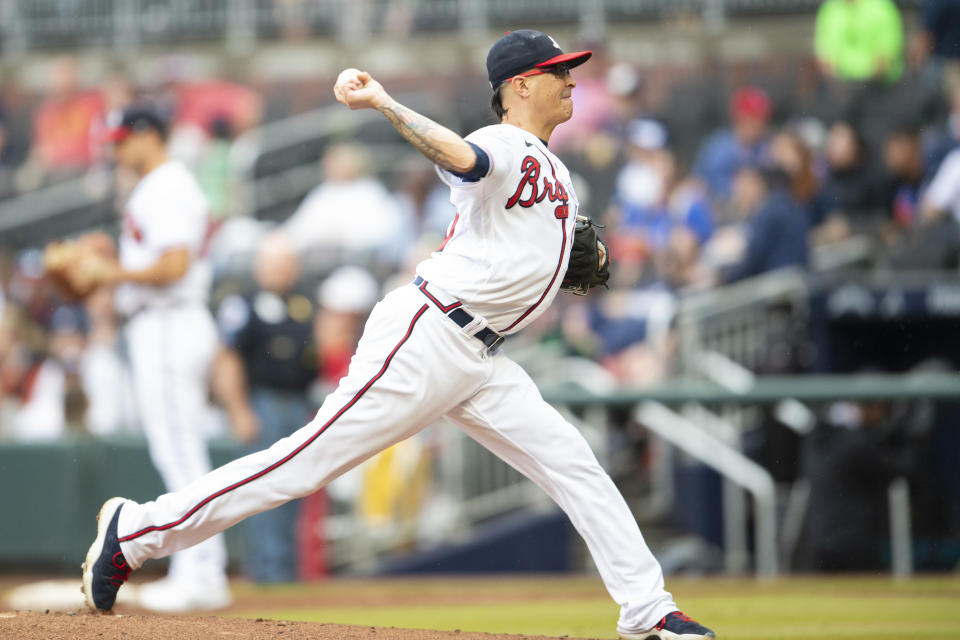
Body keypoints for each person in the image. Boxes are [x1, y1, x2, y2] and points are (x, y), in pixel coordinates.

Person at [81, 30, 716, 640]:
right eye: (557, 72)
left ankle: (650, 612)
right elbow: (461, 157)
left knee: (573, 462)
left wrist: (573, 259)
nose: (571, 80)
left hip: (481, 356)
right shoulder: (505, 142)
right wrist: (384, 103)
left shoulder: (552, 167)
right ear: (521, 85)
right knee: (301, 464)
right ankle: (137, 533)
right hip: (428, 336)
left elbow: (549, 250)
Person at [85, 104, 233, 612]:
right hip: (164, 322)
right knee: (178, 452)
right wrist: (113, 266)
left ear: (149, 135)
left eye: (122, 139)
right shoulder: (160, 185)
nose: (115, 149)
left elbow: (174, 265)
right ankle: (201, 571)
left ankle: (204, 575)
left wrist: (109, 274)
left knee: (181, 455)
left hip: (170, 321)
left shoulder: (166, 185)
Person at [215, 231, 318, 583]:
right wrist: (238, 410)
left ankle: (287, 574)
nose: (280, 270)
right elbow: (227, 359)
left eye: (286, 263)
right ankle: (266, 574)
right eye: (273, 263)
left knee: (296, 488)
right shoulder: (241, 303)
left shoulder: (301, 301)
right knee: (262, 488)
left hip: (298, 404)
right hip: (263, 403)